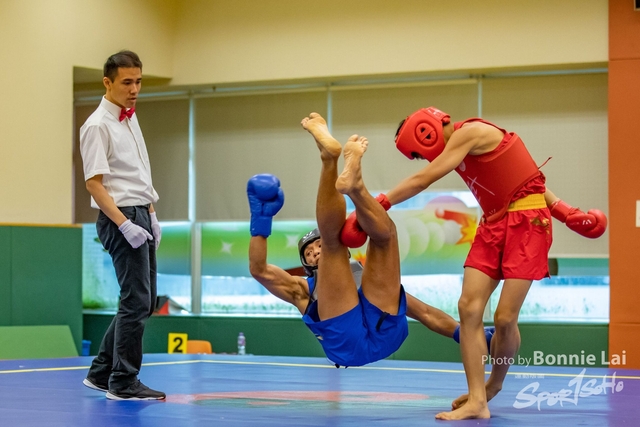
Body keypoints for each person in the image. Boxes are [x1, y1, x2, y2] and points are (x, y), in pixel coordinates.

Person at [340, 107, 607, 420]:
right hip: (492, 225)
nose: (424, 158)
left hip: (527, 225)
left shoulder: (471, 133)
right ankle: (477, 400)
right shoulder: (465, 147)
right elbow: (524, 177)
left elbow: (423, 179)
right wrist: (567, 212)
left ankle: (494, 384)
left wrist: (378, 204)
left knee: (505, 317)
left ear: (425, 132)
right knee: (468, 308)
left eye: (418, 153)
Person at [247, 113, 493, 368]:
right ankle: (343, 175)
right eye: (309, 253)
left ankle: (339, 169)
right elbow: (259, 270)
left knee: (384, 237)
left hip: (374, 335)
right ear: (306, 264)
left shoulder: (365, 276)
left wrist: (464, 334)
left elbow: (426, 313)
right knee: (334, 242)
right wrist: (260, 222)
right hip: (358, 339)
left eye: (317, 246)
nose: (315, 252)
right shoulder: (301, 289)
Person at [79, 50, 165, 401]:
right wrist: (125, 224)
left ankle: (101, 372)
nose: (134, 89)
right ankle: (123, 380)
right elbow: (94, 183)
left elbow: (139, 172)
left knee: (145, 300)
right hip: (120, 216)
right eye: (127, 82)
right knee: (136, 300)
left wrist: (152, 213)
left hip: (140, 211)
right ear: (108, 82)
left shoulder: (130, 118)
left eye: (138, 82)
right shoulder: (97, 125)